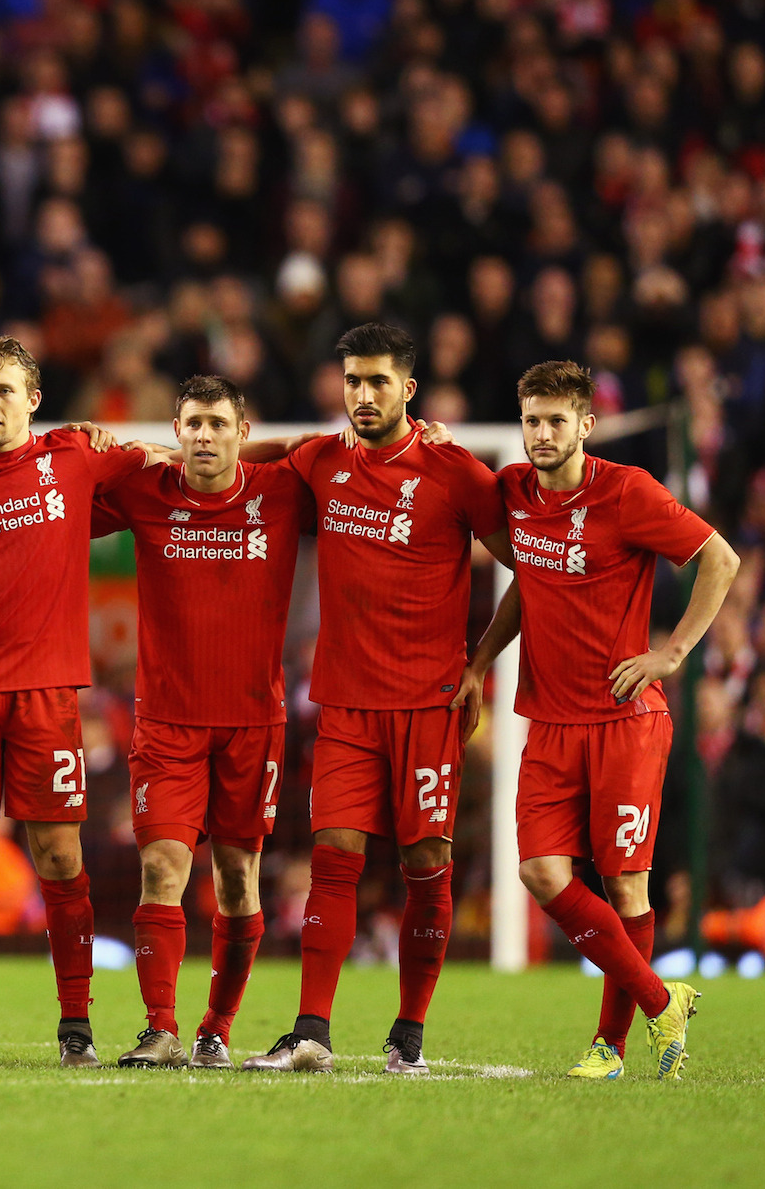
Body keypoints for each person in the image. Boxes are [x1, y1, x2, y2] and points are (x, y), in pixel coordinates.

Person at [243, 322, 517, 1075]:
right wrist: (189, 451)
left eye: (378, 381)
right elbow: (271, 453)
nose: (363, 395)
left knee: (426, 861)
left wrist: (479, 665)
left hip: (428, 704)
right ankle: (311, 1031)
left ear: (409, 389)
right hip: (345, 702)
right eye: (353, 381)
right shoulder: (325, 458)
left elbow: (528, 567)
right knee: (333, 855)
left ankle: (409, 1033)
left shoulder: (455, 470)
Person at [465, 360, 731, 1079]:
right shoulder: (514, 492)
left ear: (586, 424)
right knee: (540, 871)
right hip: (549, 720)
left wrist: (671, 652)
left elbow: (719, 557)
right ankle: (660, 998)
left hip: (624, 718)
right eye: (532, 420)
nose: (541, 433)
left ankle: (608, 1047)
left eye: (556, 420)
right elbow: (530, 582)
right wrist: (481, 661)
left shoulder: (626, 491)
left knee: (626, 888)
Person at [0, 333, 144, 1067]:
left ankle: (76, 1027)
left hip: (47, 689)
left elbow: (191, 457)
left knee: (57, 850)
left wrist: (302, 446)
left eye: (5, 389)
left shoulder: (74, 455)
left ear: (33, 398)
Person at [89, 375, 312, 1068]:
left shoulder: (281, 491)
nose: (205, 436)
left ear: (242, 432)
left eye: (219, 423)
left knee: (240, 879)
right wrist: (109, 446)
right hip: (167, 722)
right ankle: (161, 1026)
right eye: (193, 424)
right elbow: (58, 490)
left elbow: (331, 450)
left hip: (252, 721)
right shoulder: (146, 492)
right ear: (177, 429)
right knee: (162, 868)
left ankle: (217, 1026)